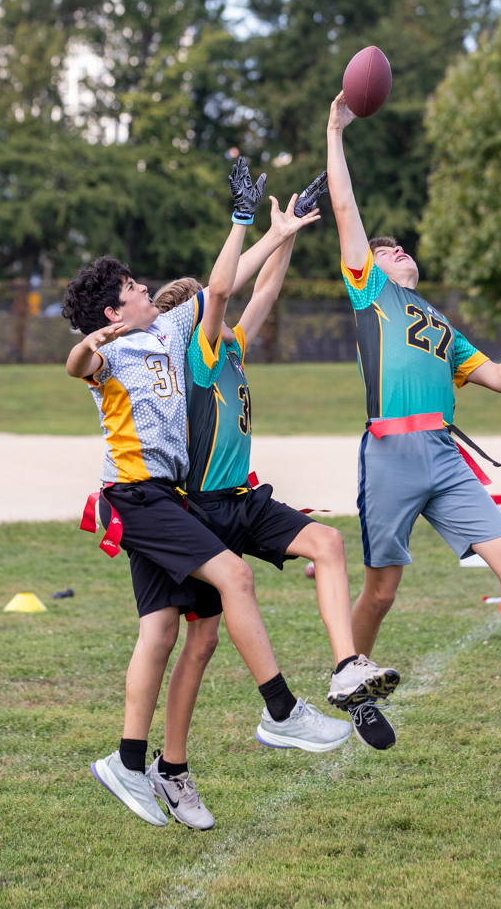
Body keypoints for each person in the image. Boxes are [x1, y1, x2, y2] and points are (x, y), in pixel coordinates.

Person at [63, 174, 351, 831]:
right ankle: (280, 710)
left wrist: (278, 232)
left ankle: (131, 762)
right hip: (136, 498)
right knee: (235, 575)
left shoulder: (167, 330)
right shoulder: (110, 353)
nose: (144, 289)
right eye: (134, 288)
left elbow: (235, 281)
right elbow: (77, 368)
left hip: (163, 498)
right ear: (114, 312)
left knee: (162, 631)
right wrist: (242, 214)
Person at [326, 90, 501, 723]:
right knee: (382, 590)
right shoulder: (369, 292)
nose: (397, 250)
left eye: (400, 247)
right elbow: (345, 207)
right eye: (388, 247)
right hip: (392, 451)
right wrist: (335, 133)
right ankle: (350, 679)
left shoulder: (441, 324)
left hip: (444, 454)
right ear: (368, 264)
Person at [153, 166, 401, 753]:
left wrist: (285, 233)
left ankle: (346, 665)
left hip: (242, 498)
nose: (223, 299)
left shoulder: (229, 346)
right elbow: (220, 291)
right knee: (200, 641)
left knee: (329, 543)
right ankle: (189, 749)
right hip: (204, 512)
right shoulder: (198, 352)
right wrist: (256, 232)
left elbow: (262, 291)